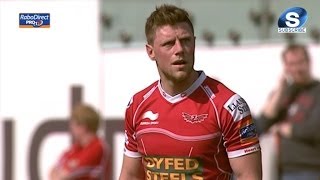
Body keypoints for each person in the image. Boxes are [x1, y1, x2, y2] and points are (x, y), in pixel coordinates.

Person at [119, 4, 262, 180]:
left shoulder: (229, 105)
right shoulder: (137, 105)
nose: (179, 50)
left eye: (185, 41)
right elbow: (130, 175)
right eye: (169, 44)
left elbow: (249, 175)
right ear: (151, 52)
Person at [255, 44, 320, 180]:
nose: (297, 69)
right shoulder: (284, 92)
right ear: (285, 67)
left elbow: (315, 130)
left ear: (308, 62)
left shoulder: (317, 90)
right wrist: (280, 90)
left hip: (309, 169)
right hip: (280, 170)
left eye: (300, 62)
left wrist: (285, 129)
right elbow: (262, 125)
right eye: (291, 64)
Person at [49, 104, 111, 180]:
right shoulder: (76, 148)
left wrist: (62, 172)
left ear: (83, 126)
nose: (71, 128)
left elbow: (68, 175)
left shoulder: (98, 147)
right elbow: (53, 170)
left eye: (73, 124)